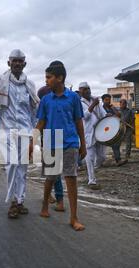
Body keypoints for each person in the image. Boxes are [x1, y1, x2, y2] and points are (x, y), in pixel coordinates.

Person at [33, 61, 87, 231]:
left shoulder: (73, 98)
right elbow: (41, 123)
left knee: (71, 178)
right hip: (50, 141)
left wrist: (83, 144)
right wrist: (32, 141)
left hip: (70, 142)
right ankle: (44, 206)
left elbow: (79, 122)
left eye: (49, 78)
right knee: (50, 178)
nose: (46, 81)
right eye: (46, 78)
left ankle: (74, 217)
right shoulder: (45, 100)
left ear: (60, 78)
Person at [0, 49, 39, 219]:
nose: (17, 63)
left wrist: (33, 133)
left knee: (22, 168)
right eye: (14, 60)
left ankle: (20, 200)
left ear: (24, 64)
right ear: (8, 63)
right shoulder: (0, 80)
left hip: (25, 130)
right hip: (6, 131)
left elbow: (33, 110)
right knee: (11, 165)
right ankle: (13, 202)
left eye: (20, 61)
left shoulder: (29, 85)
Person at [38, 85, 65, 212]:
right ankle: (54, 198)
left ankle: (57, 199)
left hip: (61, 138)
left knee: (56, 173)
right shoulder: (43, 101)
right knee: (52, 173)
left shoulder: (64, 99)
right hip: (48, 139)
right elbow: (40, 123)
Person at [79, 82, 106, 190]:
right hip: (88, 133)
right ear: (80, 91)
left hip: (99, 131)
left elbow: (102, 113)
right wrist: (93, 105)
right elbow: (84, 116)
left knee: (102, 157)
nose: (87, 91)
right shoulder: (79, 103)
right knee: (89, 158)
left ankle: (92, 168)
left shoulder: (96, 100)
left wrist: (107, 116)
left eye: (88, 89)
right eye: (84, 89)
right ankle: (92, 180)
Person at [112, 99, 134, 166]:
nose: (123, 105)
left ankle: (127, 155)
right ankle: (118, 156)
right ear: (120, 104)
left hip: (128, 128)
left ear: (126, 104)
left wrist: (132, 126)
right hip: (121, 129)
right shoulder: (118, 111)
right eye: (122, 104)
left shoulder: (129, 111)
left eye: (124, 104)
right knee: (117, 142)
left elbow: (133, 119)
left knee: (128, 142)